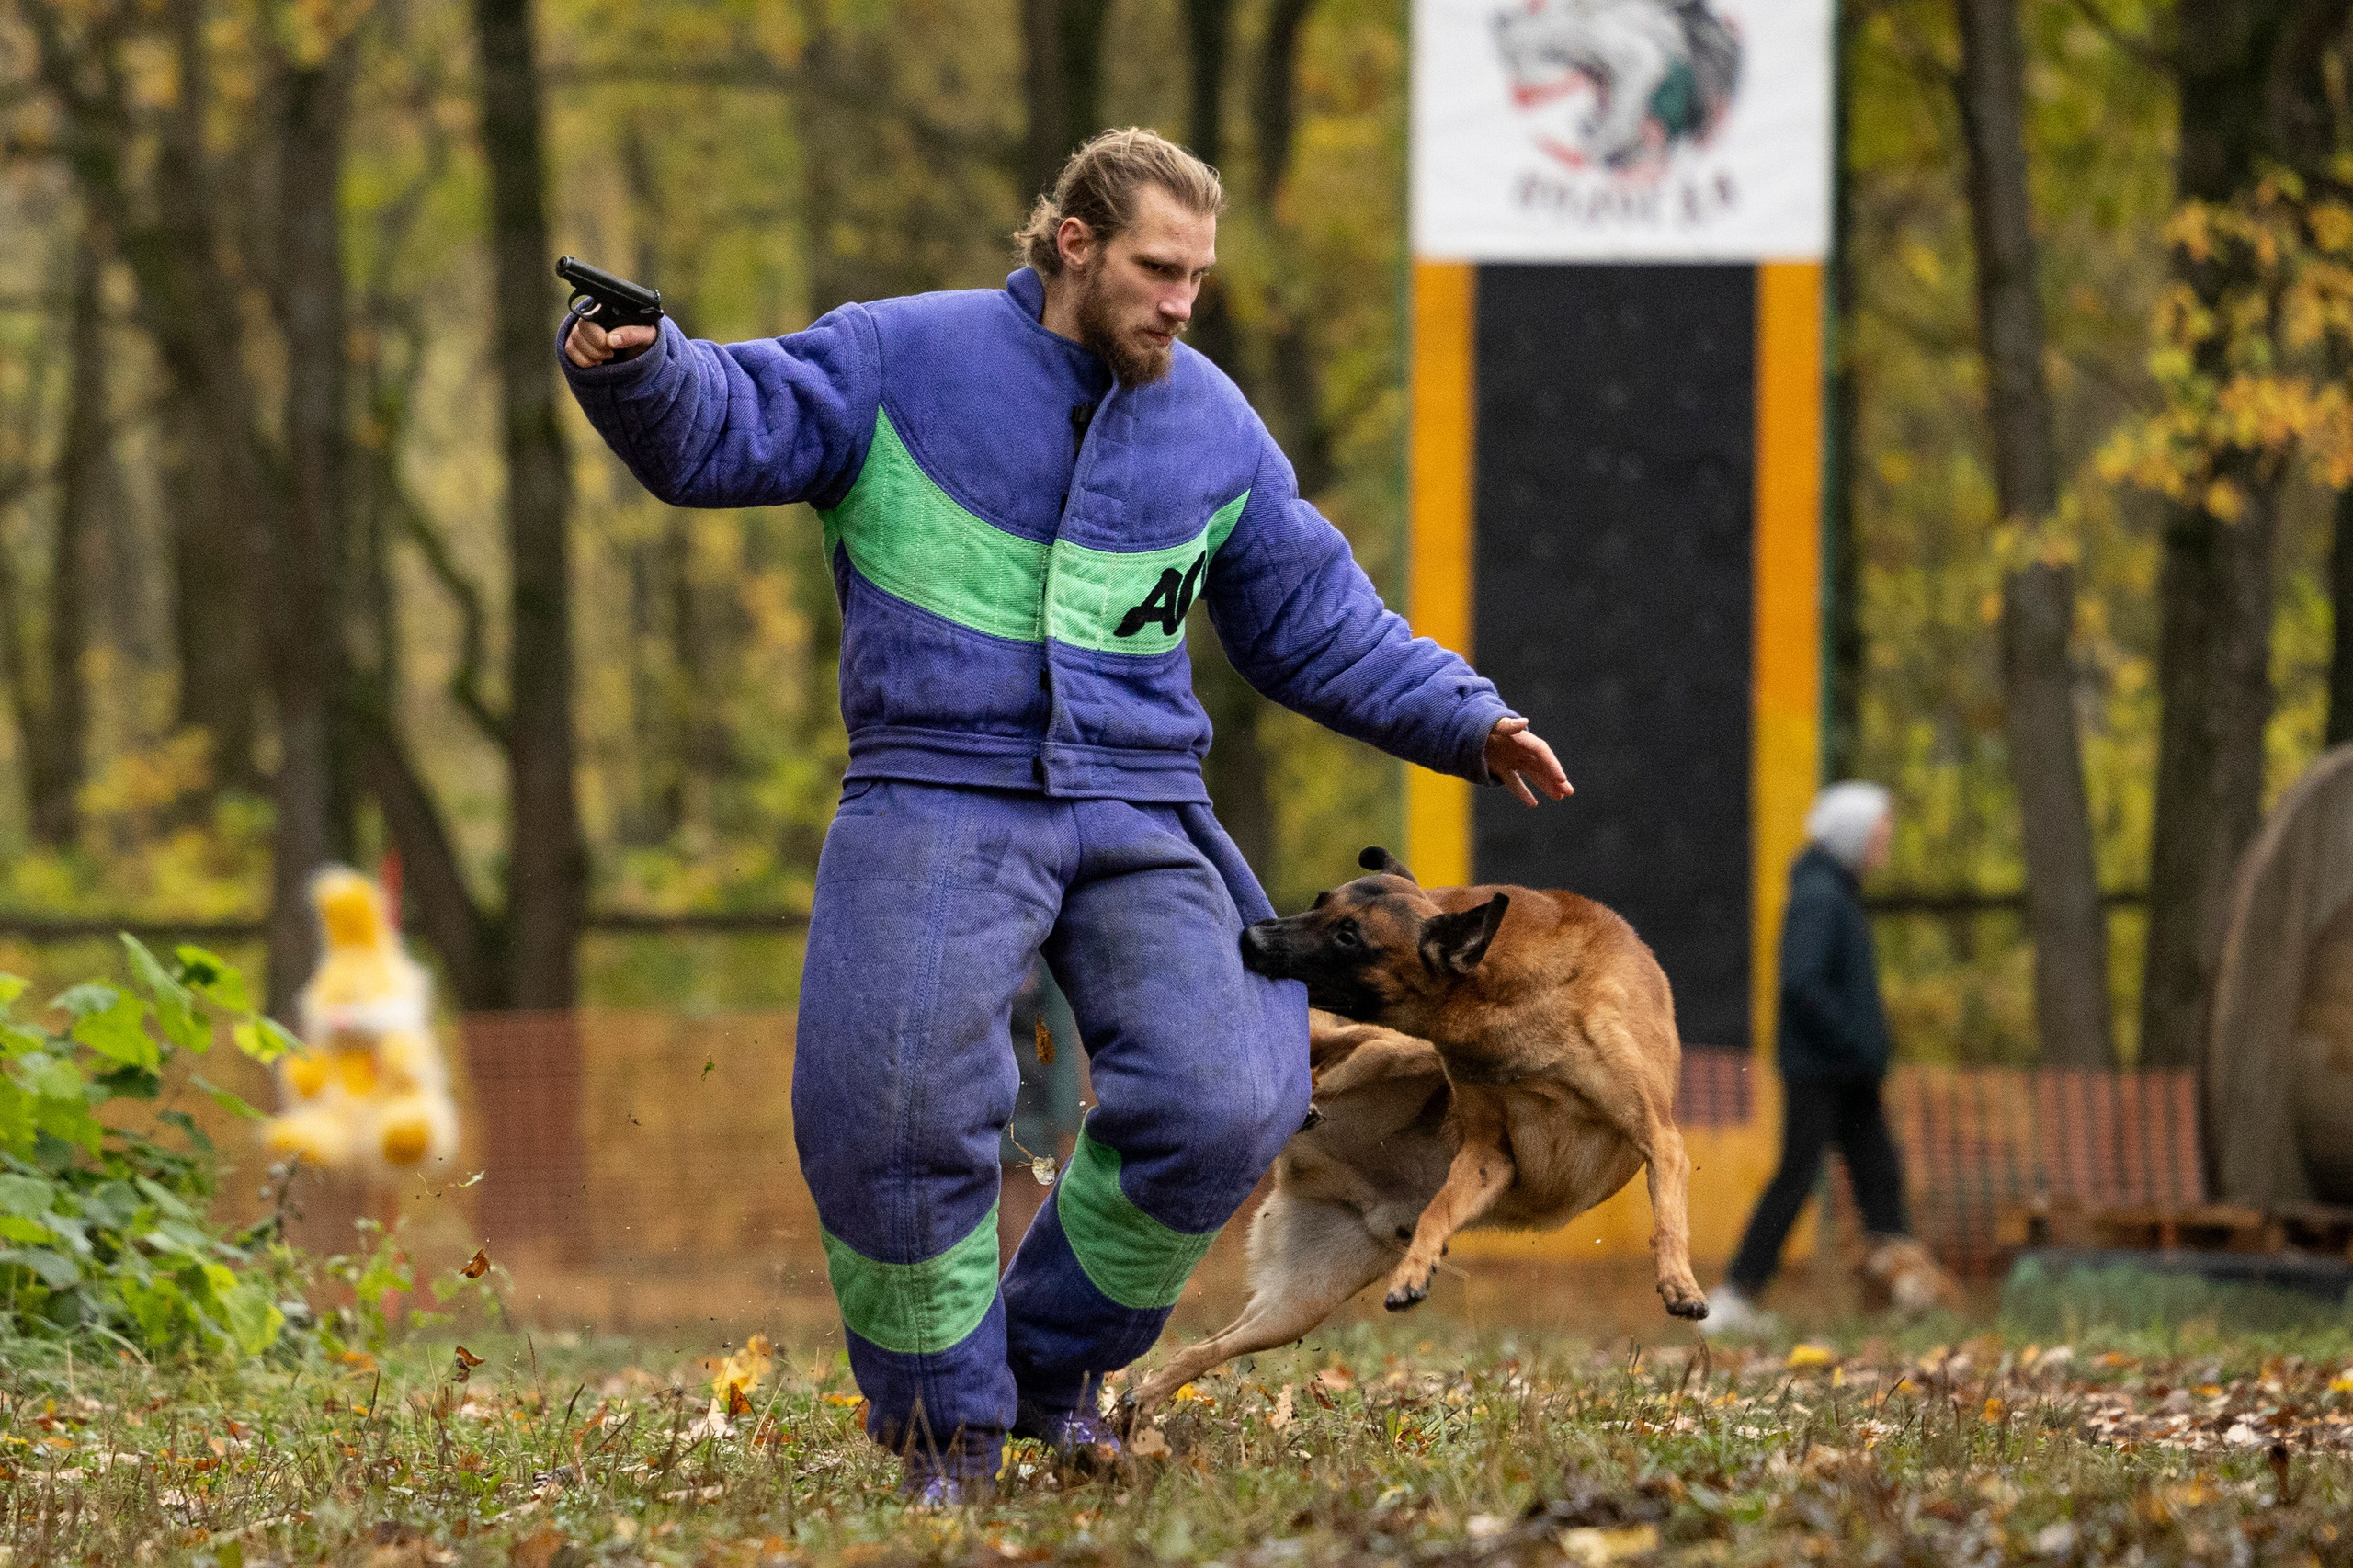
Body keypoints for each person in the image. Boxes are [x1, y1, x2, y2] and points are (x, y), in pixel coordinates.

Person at [560, 128, 1570, 1501]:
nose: (1181, 302)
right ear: (1074, 244)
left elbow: (1319, 621)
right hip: (935, 785)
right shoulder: (900, 357)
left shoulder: (1213, 422)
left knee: (1232, 1095)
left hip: (1141, 796)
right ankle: (945, 1434)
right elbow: (730, 418)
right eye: (1160, 268)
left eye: (1199, 278)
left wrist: (1468, 714)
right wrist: (642, 365)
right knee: (892, 1107)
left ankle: (1046, 1376)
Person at [1706, 781, 1912, 1335]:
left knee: (1880, 1177)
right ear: (1852, 837)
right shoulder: (1821, 897)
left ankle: (1902, 1295)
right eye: (1878, 833)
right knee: (1797, 1178)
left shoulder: (1836, 893)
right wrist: (1855, 1042)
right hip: (1824, 1071)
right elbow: (1802, 984)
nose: (1885, 843)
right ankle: (1734, 1297)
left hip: (1847, 1071)